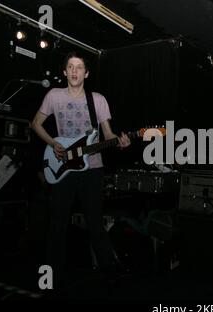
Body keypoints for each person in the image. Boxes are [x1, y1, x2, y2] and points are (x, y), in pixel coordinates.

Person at [32, 51, 131, 289]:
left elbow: (107, 134)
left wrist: (119, 139)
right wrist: (53, 143)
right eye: (70, 67)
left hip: (92, 168)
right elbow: (35, 124)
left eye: (79, 67)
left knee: (95, 222)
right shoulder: (54, 96)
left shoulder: (97, 99)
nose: (75, 71)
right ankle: (52, 278)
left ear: (86, 73)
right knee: (58, 223)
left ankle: (110, 272)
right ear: (64, 71)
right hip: (63, 167)